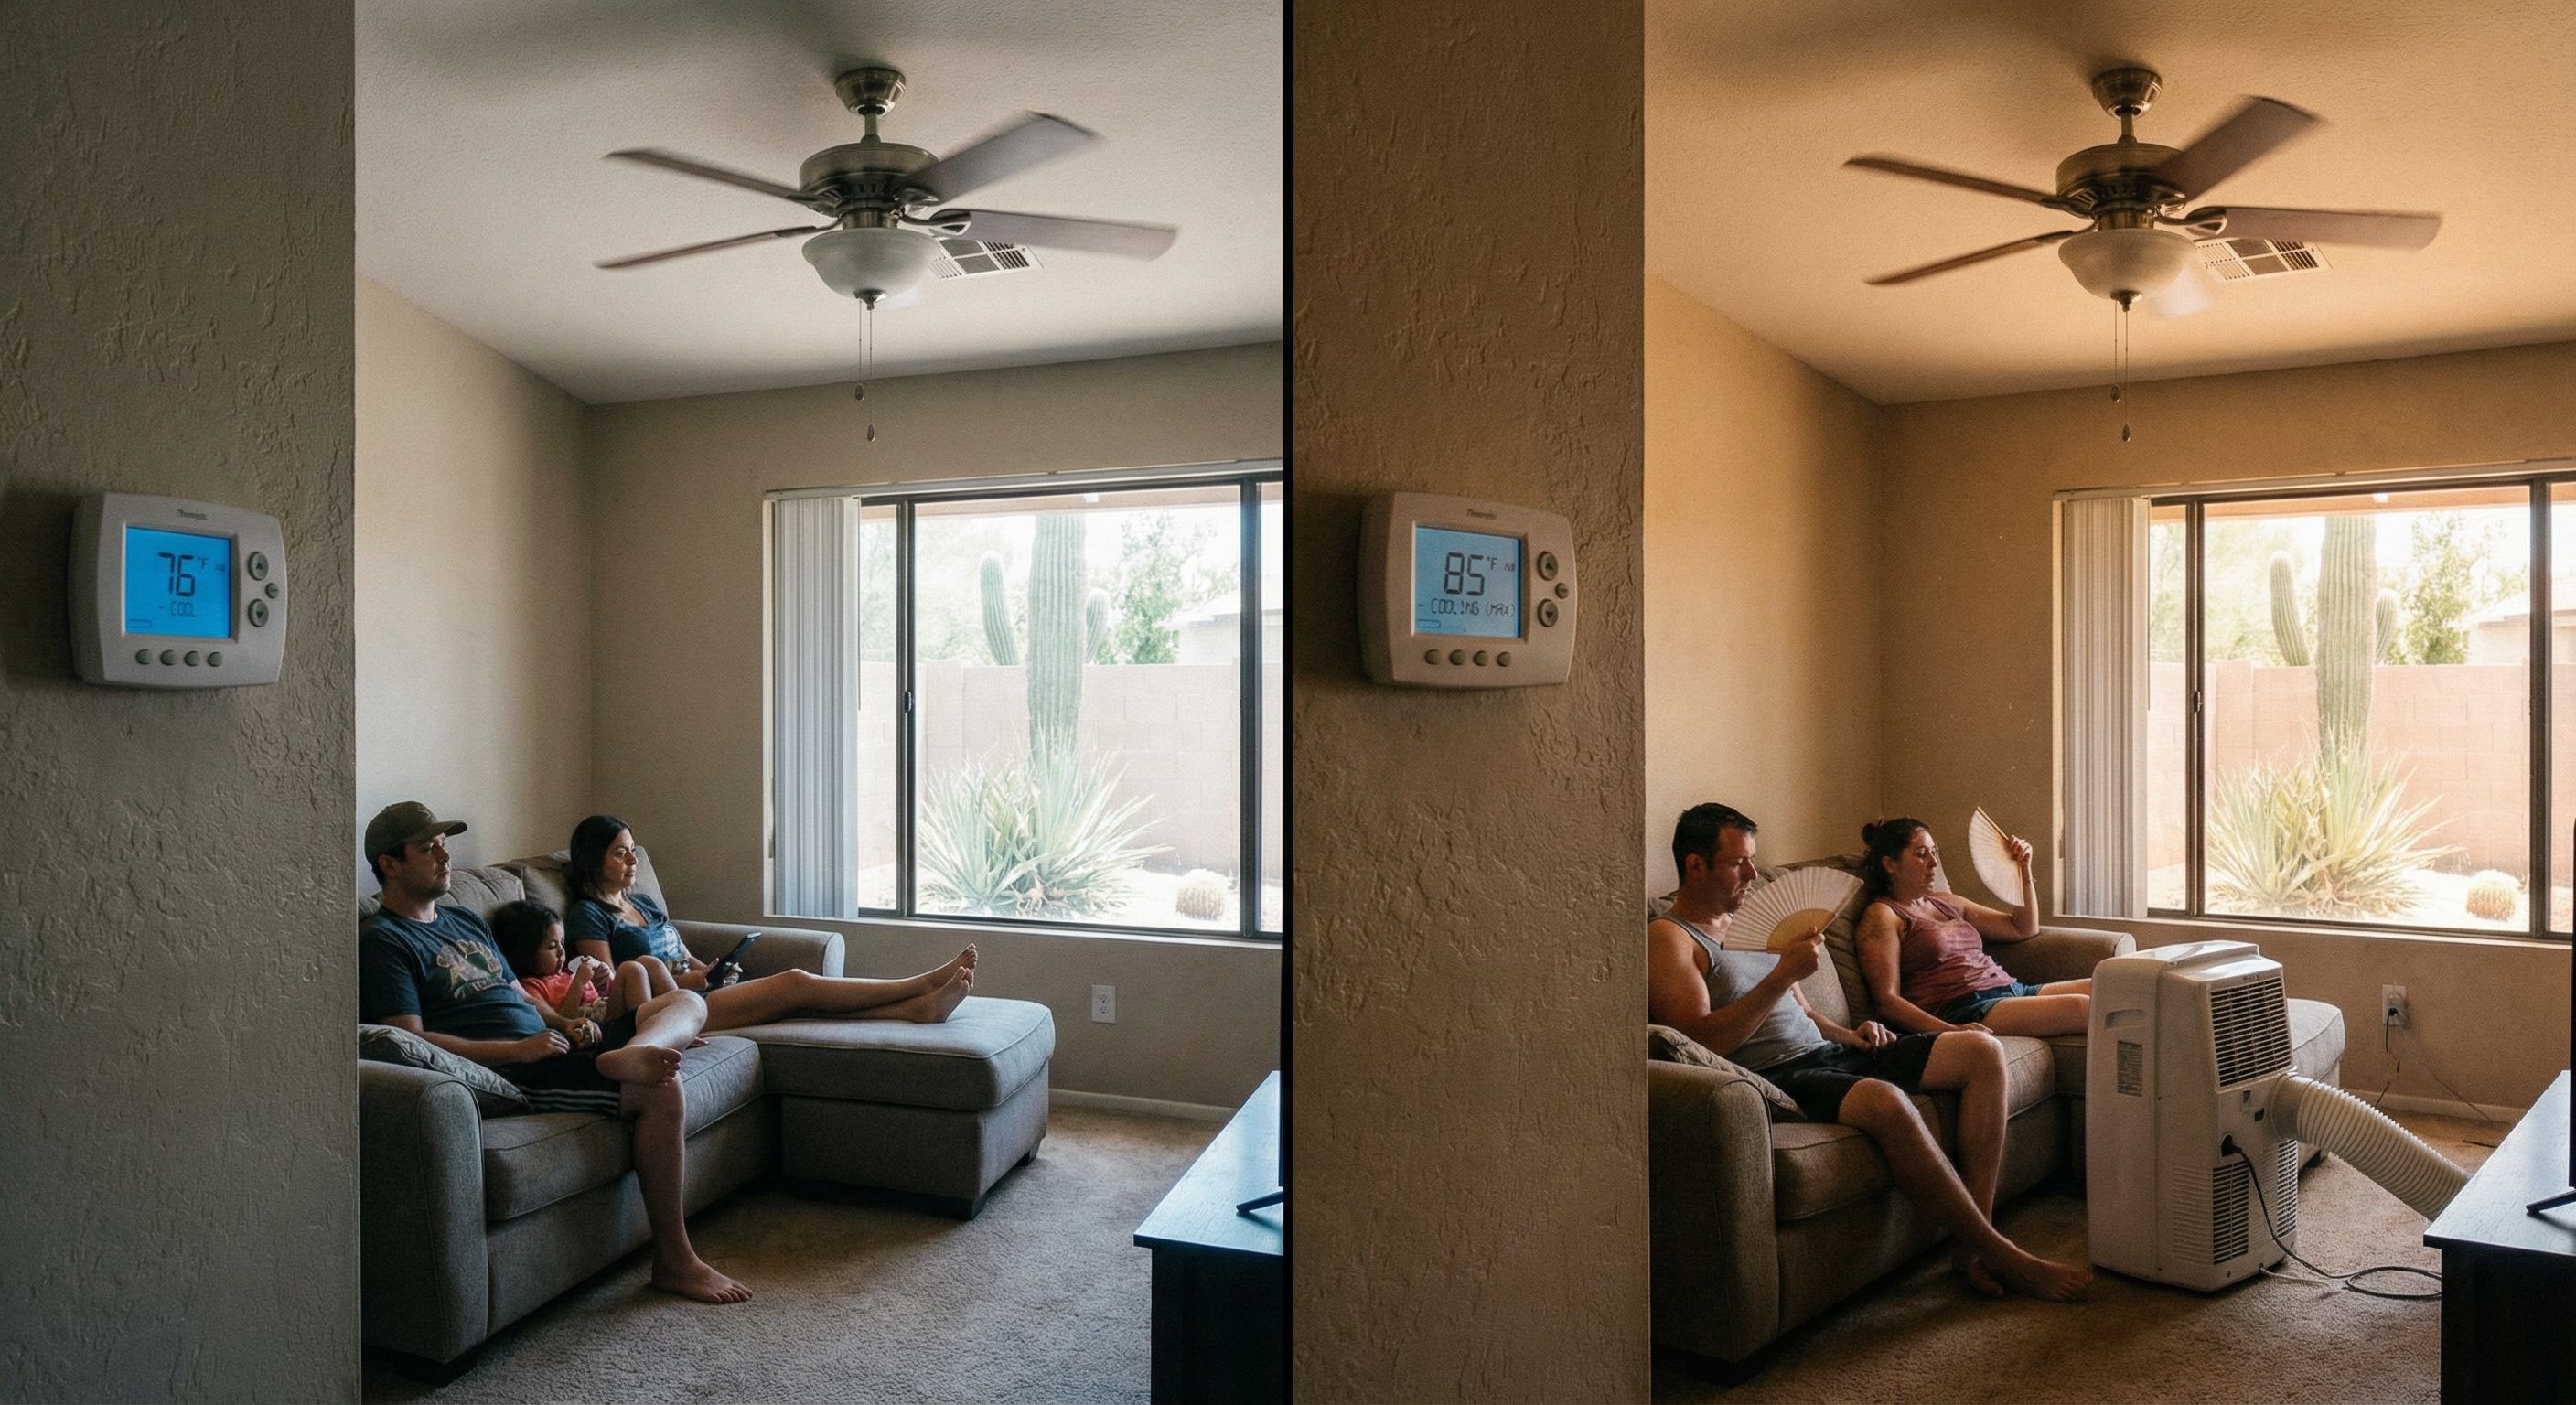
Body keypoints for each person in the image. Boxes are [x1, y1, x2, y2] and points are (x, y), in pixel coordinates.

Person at [1647, 802, 2090, 1302]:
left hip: (1828, 1053)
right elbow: (1702, 1039)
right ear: (1695, 865)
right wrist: (1783, 973)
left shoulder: (1749, 924)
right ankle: (2003, 1253)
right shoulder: (1670, 938)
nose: (1752, 873)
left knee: (1980, 1052)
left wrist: (1851, 1034)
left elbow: (1806, 1015)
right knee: (1886, 1100)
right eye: (1737, 863)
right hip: (1779, 1074)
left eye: (1753, 860)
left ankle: (1975, 1241)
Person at [359, 801, 751, 1304]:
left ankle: (636, 1049)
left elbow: (522, 997)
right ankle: (675, 1263)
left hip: (554, 1041)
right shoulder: (385, 941)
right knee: (660, 1088)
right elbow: (409, 1039)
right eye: (427, 848)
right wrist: (518, 1050)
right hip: (522, 1068)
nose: (445, 856)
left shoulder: (463, 920)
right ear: (390, 864)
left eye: (443, 844)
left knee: (688, 1002)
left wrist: (567, 1023)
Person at [561, 814, 976, 1033]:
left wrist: (714, 971)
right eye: (621, 853)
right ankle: (918, 984)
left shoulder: (645, 904)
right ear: (594, 860)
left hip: (699, 991)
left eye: (633, 850)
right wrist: (693, 983)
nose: (633, 860)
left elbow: (686, 955)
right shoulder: (588, 914)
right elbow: (612, 988)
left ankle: (917, 1009)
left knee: (800, 1004)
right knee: (797, 983)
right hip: (671, 1011)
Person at [1852, 817, 2092, 1038]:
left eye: (1934, 852)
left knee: (2107, 986)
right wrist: (1952, 1031)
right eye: (1921, 854)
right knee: (2082, 1008)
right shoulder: (1883, 915)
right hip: (1966, 1007)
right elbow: (1887, 1001)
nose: (1934, 863)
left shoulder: (1946, 902)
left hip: (2010, 989)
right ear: (1890, 864)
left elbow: (2023, 928)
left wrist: (2022, 869)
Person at [491, 897, 671, 1049]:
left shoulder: (565, 974)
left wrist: (601, 981)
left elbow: (599, 998)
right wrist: (578, 983)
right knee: (631, 968)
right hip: (595, 1029)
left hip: (605, 1012)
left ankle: (665, 1026)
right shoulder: (530, 986)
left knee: (647, 962)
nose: (561, 952)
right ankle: (650, 1036)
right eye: (552, 946)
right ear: (525, 953)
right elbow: (560, 1021)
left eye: (562, 943)